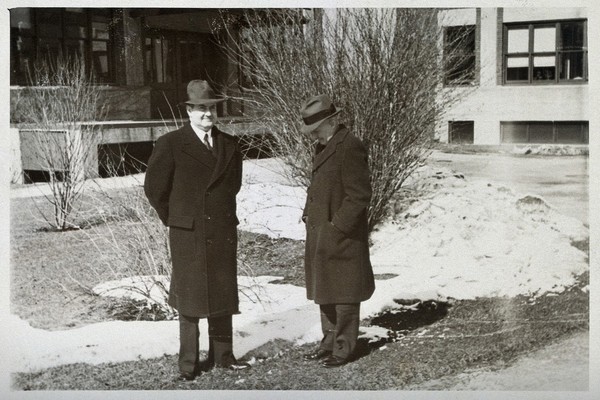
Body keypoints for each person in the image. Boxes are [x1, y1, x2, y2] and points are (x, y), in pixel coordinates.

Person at [144, 80, 249, 381]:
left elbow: (233, 186)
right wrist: (178, 219)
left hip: (222, 228)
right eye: (201, 108)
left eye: (212, 108)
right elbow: (154, 190)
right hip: (188, 233)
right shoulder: (172, 144)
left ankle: (224, 356)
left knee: (222, 291)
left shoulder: (230, 144)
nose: (207, 114)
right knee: (190, 299)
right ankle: (188, 363)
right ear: (189, 111)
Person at [299, 94, 375, 368]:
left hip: (341, 234)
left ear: (331, 123)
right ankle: (329, 342)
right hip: (321, 229)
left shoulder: (349, 146)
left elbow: (359, 196)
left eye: (315, 130)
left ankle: (344, 348)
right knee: (326, 289)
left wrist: (336, 228)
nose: (312, 136)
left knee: (344, 293)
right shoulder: (324, 146)